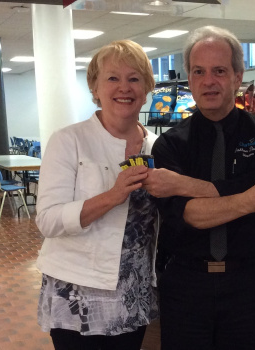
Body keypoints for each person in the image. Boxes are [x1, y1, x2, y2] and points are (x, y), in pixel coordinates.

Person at [142, 26, 255, 350]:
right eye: (199, 72)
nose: (209, 81)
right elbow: (191, 215)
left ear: (237, 77)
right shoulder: (168, 145)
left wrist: (183, 183)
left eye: (219, 71)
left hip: (247, 283)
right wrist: (249, 199)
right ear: (190, 80)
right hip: (185, 285)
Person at [35, 40, 159, 350]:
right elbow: (48, 221)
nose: (124, 88)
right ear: (95, 87)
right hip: (78, 291)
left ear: (146, 89)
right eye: (112, 78)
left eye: (134, 78)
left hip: (134, 289)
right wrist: (113, 195)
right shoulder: (69, 140)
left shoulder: (159, 148)